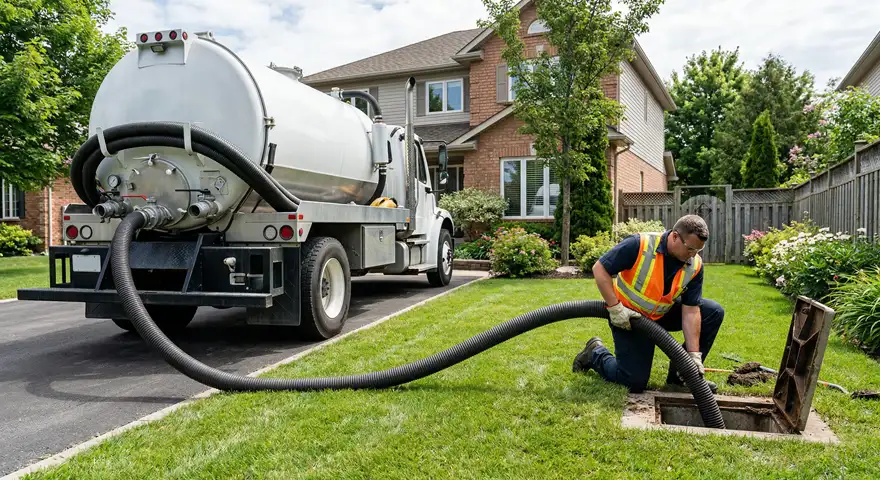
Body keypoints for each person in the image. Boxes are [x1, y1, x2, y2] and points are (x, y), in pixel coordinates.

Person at [572, 215, 724, 393]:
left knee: (713, 311)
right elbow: (600, 269)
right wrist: (614, 308)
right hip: (629, 317)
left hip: (662, 313)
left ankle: (681, 376)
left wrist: (693, 354)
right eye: (690, 249)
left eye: (698, 250)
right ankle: (594, 352)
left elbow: (691, 310)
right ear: (675, 236)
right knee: (633, 382)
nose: (693, 255)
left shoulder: (694, 265)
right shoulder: (640, 245)